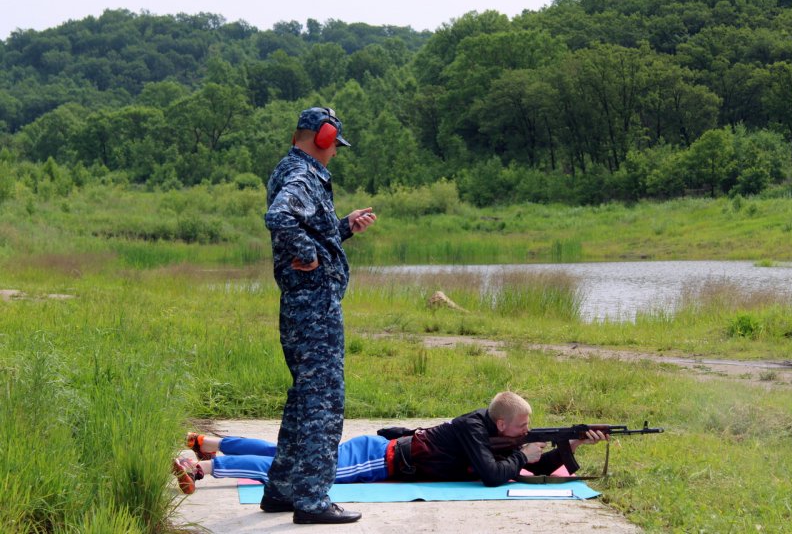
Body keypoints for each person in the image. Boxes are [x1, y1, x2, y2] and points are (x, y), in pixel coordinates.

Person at [261, 106, 376, 525]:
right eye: (334, 145)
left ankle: (282, 490)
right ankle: (312, 500)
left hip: (304, 306)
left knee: (302, 401)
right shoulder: (304, 174)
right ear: (323, 138)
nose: (335, 153)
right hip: (313, 308)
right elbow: (280, 216)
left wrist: (342, 227)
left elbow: (305, 223)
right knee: (323, 404)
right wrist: (306, 254)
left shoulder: (292, 169)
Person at [172, 392, 608, 494]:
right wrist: (521, 457)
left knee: (293, 455)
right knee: (301, 469)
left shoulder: (496, 437)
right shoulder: (473, 428)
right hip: (377, 461)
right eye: (522, 427)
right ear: (500, 423)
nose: (526, 433)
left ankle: (209, 444)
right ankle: (203, 468)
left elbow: (537, 465)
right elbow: (497, 477)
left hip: (377, 454)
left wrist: (572, 447)